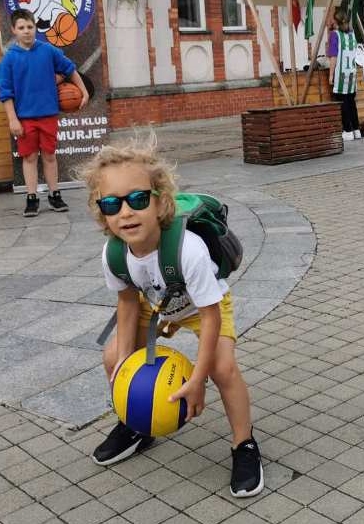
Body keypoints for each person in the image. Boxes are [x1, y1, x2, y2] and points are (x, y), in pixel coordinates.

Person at [79, 138, 263, 497]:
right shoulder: (114, 254)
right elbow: (128, 304)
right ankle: (135, 425)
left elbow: (210, 317)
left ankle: (244, 445)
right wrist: (125, 366)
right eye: (113, 204)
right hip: (157, 303)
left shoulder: (187, 250)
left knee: (221, 369)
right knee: (113, 355)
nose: (126, 213)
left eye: (137, 199)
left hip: (201, 305)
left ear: (160, 200)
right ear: (102, 212)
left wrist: (197, 378)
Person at [0, 8, 89, 217]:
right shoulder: (9, 59)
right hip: (24, 118)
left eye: (30, 26)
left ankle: (55, 194)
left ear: (35, 28)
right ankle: (32, 197)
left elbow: (69, 69)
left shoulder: (48, 50)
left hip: (48, 115)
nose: (26, 31)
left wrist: (83, 91)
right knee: (29, 158)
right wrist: (12, 120)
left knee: (49, 155)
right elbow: (5, 92)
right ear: (13, 30)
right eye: (21, 27)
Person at [327, 7, 361, 141]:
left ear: (336, 22)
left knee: (343, 103)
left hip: (341, 74)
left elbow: (334, 57)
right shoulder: (352, 35)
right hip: (351, 74)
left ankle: (347, 130)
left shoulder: (335, 35)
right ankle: (356, 129)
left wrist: (330, 75)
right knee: (351, 102)